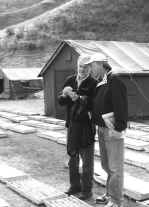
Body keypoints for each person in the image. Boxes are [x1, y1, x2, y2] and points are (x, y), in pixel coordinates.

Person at [84, 53, 128, 207]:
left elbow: (120, 103)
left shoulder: (114, 78)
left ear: (101, 64)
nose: (90, 69)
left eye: (92, 65)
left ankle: (116, 201)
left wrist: (119, 127)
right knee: (107, 165)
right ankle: (110, 194)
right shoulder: (100, 81)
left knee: (115, 167)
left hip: (112, 129)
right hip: (101, 128)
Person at [57, 54, 98, 200]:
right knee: (72, 156)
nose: (82, 69)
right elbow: (60, 101)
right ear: (77, 66)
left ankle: (87, 189)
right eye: (80, 66)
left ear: (91, 68)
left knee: (87, 159)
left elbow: (95, 103)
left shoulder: (94, 82)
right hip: (72, 124)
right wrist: (65, 95)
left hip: (86, 125)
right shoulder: (70, 80)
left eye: (86, 67)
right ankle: (75, 185)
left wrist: (79, 99)